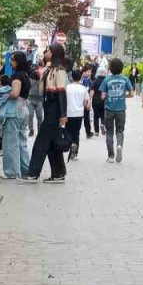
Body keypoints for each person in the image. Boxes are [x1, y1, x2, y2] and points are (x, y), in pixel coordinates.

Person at [22, 43, 70, 183]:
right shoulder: (49, 69)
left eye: (47, 50)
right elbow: (35, 75)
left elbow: (61, 93)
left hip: (54, 110)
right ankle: (58, 173)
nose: (45, 52)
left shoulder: (59, 71)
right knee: (52, 143)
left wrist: (62, 115)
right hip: (48, 107)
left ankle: (32, 173)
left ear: (54, 52)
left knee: (41, 142)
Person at [0, 52, 31, 179]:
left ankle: (11, 172)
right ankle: (25, 170)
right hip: (24, 109)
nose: (11, 62)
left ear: (17, 61)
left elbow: (15, 93)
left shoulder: (17, 76)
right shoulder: (26, 75)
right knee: (22, 142)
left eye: (12, 59)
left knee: (10, 142)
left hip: (14, 111)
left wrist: (3, 92)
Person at [99, 57, 132, 164]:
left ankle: (111, 156)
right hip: (121, 109)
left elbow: (103, 96)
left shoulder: (107, 80)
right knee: (120, 131)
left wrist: (108, 95)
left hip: (109, 109)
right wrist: (123, 96)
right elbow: (132, 93)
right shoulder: (125, 79)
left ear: (110, 68)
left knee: (109, 132)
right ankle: (119, 146)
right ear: (122, 68)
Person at [64, 67, 91, 161]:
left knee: (67, 131)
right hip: (79, 114)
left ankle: (70, 143)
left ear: (71, 77)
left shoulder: (67, 88)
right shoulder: (83, 89)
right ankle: (75, 153)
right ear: (80, 78)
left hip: (68, 113)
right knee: (76, 133)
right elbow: (87, 103)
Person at [27, 48, 47, 137]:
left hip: (39, 99)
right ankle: (31, 130)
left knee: (40, 117)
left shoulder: (44, 76)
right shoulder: (31, 74)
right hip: (30, 98)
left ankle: (40, 130)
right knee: (30, 115)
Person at [90, 66, 108, 136]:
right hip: (104, 100)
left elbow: (92, 91)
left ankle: (96, 131)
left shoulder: (95, 81)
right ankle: (103, 124)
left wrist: (89, 99)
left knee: (96, 116)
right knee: (103, 115)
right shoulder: (106, 81)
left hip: (95, 101)